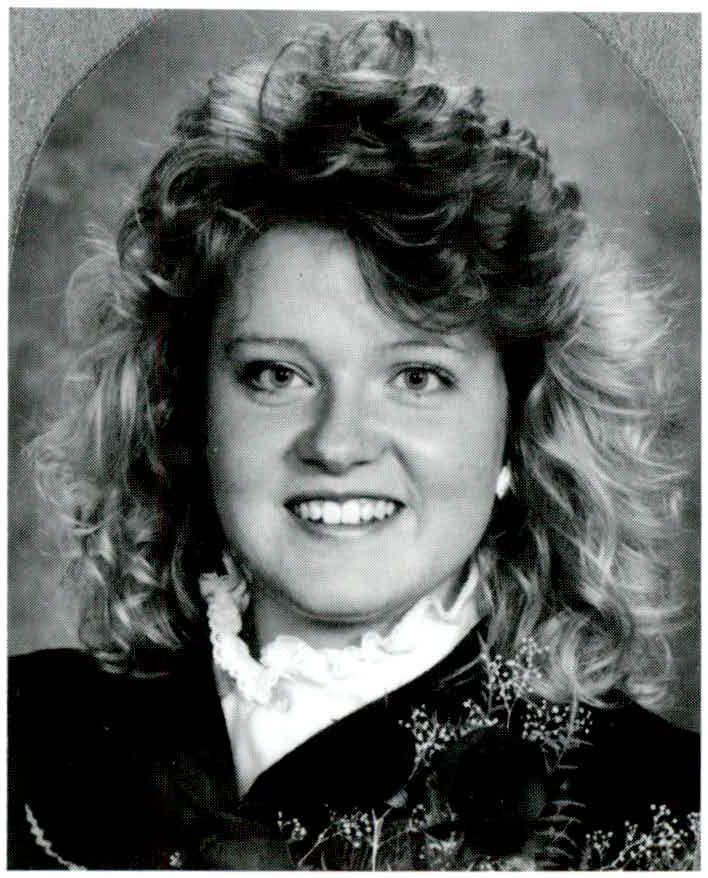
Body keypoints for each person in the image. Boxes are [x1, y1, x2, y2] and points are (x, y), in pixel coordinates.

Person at [8, 17, 698, 871]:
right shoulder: (25, 736)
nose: (337, 444)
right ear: (186, 413)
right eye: (276, 375)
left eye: (417, 377)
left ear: (521, 427)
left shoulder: (668, 808)